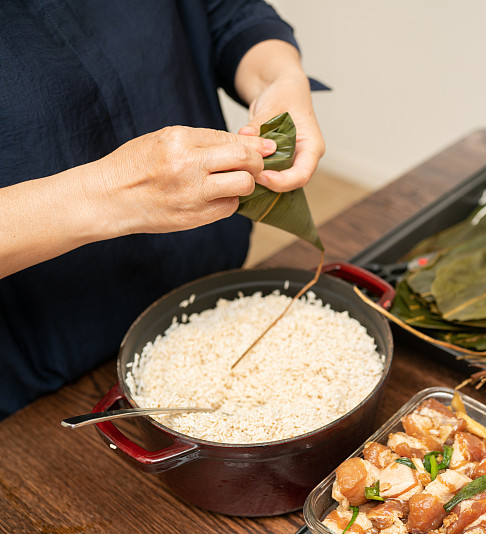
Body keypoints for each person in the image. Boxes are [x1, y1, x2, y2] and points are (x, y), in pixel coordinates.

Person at [0, 1, 327, 419]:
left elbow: (226, 11)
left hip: (218, 293)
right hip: (43, 375)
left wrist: (280, 79)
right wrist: (107, 193)